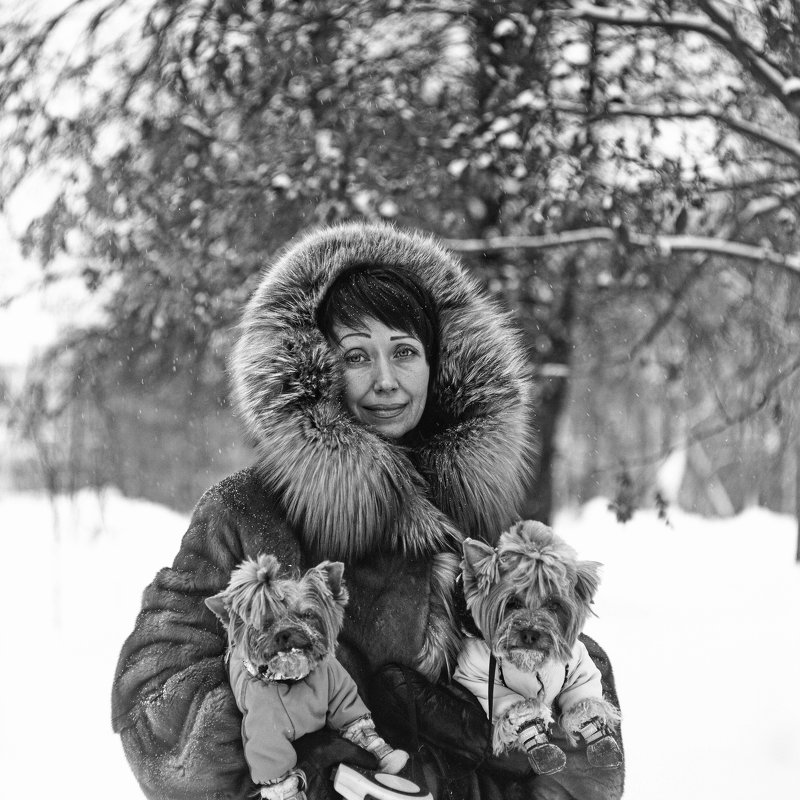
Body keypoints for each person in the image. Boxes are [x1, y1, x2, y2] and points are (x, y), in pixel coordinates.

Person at [111, 221, 624, 800]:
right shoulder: (248, 510)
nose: (385, 381)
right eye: (357, 354)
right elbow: (154, 690)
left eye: (405, 351)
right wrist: (308, 755)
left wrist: (468, 767)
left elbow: (571, 690)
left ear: (441, 363)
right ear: (316, 368)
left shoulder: (485, 524)